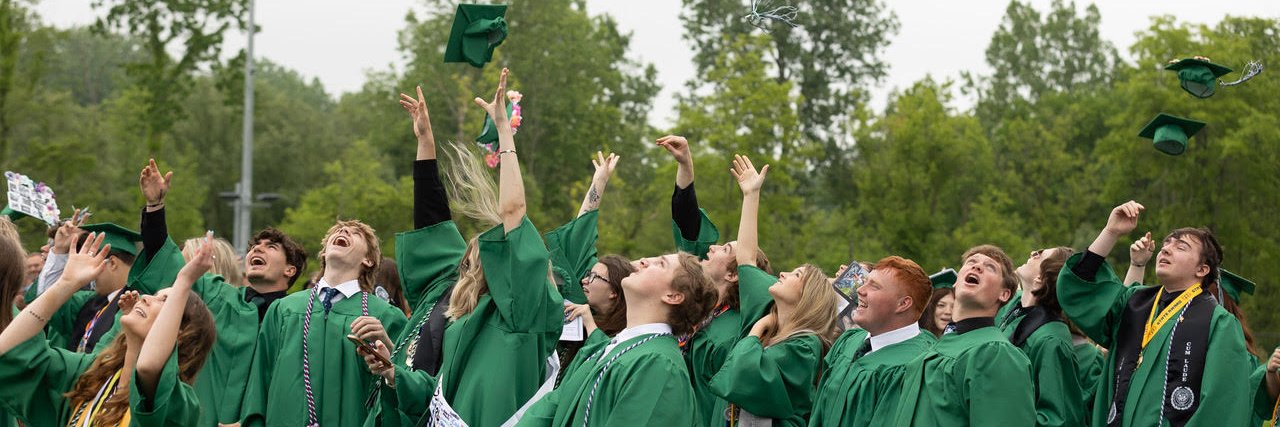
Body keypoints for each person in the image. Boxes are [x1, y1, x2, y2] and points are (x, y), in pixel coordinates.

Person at [360, 68, 562, 427]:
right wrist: (394, 372)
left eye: (481, 255)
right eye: (465, 260)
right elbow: (432, 221)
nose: (464, 265)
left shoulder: (525, 310)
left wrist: (504, 132)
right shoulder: (458, 308)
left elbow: (513, 212)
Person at [126, 158, 314, 426]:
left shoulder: (298, 320)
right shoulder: (215, 296)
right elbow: (169, 265)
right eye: (255, 246)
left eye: (271, 247)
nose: (257, 249)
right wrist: (155, 207)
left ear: (290, 270)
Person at [1057, 201, 1253, 426]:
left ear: (1202, 269)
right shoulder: (1134, 304)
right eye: (1166, 244)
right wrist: (1110, 232)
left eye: (1181, 247)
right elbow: (1079, 288)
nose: (1166, 249)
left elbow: (1221, 408)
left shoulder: (1218, 323)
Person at [0, 231, 217, 426]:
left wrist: (184, 282)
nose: (146, 298)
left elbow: (149, 367)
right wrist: (66, 283)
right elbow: (11, 348)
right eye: (155, 294)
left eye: (165, 301)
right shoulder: (91, 375)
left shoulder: (177, 405)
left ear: (180, 334)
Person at [701, 155, 838, 425]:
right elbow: (746, 259)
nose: (783, 273)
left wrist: (754, 332)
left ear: (808, 298)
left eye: (797, 274)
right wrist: (751, 195)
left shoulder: (805, 346)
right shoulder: (767, 311)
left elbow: (747, 377)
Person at [239, 212, 409, 426]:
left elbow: (403, 391)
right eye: (338, 230)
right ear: (324, 252)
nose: (343, 230)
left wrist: (390, 362)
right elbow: (259, 388)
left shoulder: (386, 317)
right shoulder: (283, 310)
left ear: (368, 260)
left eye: (355, 233)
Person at [517, 252, 717, 425]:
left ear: (673, 296)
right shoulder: (613, 347)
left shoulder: (660, 366)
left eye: (660, 263)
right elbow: (552, 407)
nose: (644, 260)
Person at [657, 135, 772, 426]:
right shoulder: (700, 303)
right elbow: (688, 225)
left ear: (734, 274)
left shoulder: (735, 331)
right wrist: (686, 165)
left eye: (725, 249)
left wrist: (751, 196)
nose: (712, 248)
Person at [892, 245, 1036, 425]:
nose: (977, 266)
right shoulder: (936, 348)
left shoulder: (996, 355)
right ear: (956, 282)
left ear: (1004, 294)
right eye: (971, 262)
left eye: (990, 267)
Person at [809, 255, 936, 426]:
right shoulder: (848, 342)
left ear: (903, 304)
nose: (860, 290)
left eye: (874, 286)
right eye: (865, 282)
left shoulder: (918, 367)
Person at [1000, 247, 1087, 426]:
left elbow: (1057, 418)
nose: (1033, 252)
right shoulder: (1013, 309)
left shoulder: (1051, 340)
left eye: (1040, 254)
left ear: (1040, 279)